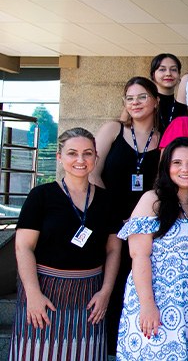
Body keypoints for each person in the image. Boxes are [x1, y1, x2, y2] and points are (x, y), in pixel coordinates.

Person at [10, 128, 121, 361]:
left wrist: (106, 292)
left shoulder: (107, 200)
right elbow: (23, 247)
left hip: (90, 296)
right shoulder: (41, 196)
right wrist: (33, 294)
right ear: (59, 157)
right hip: (44, 292)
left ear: (96, 157)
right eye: (72, 153)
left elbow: (113, 249)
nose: (80, 159)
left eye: (87, 153)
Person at [116, 137, 188, 360]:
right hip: (157, 300)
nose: (185, 169)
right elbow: (139, 255)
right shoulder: (152, 200)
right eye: (177, 163)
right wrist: (148, 304)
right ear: (166, 167)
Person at [91, 76, 162, 353]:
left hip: (145, 227)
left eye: (142, 97)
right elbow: (92, 172)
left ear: (155, 101)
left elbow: (162, 185)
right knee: (108, 284)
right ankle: (104, 350)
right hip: (111, 221)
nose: (136, 103)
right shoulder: (113, 130)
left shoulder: (163, 138)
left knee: (136, 283)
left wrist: (139, 219)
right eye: (130, 98)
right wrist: (114, 215)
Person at [149, 53, 188, 133]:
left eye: (173, 69)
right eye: (162, 69)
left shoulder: (185, 110)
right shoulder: (145, 106)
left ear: (179, 74)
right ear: (153, 75)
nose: (168, 74)